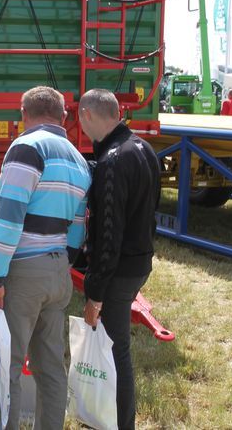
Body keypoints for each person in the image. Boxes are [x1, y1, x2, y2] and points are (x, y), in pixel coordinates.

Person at [0, 86, 91, 430]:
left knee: (7, 367)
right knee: (51, 368)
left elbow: (9, 219)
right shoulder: (78, 159)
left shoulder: (26, 148)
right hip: (58, 270)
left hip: (24, 272)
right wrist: (61, 263)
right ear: (63, 116)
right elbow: (77, 229)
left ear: (23, 115)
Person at [78, 89, 161, 430]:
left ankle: (121, 423)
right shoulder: (143, 147)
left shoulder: (113, 159)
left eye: (80, 123)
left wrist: (95, 290)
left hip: (119, 268)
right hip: (139, 261)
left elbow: (109, 232)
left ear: (87, 116)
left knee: (116, 351)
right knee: (118, 348)